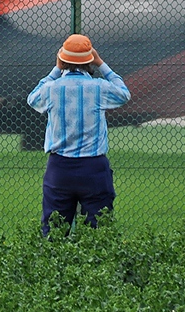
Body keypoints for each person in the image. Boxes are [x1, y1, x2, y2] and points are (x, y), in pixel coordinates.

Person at [27, 34, 131, 235]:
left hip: (59, 168)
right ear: (90, 59)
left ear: (62, 59)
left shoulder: (51, 89)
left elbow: (33, 98)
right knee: (99, 231)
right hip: (94, 168)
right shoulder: (99, 88)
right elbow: (123, 94)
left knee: (53, 232)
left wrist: (56, 69)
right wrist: (101, 64)